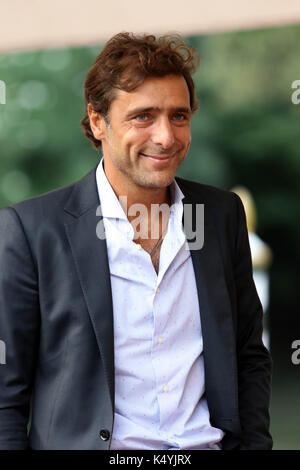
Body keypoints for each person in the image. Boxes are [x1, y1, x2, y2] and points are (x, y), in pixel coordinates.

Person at [0, 32, 272, 450]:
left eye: (179, 116)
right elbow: (6, 393)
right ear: (97, 120)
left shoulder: (221, 216)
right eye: (143, 116)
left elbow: (249, 356)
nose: (165, 136)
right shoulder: (31, 231)